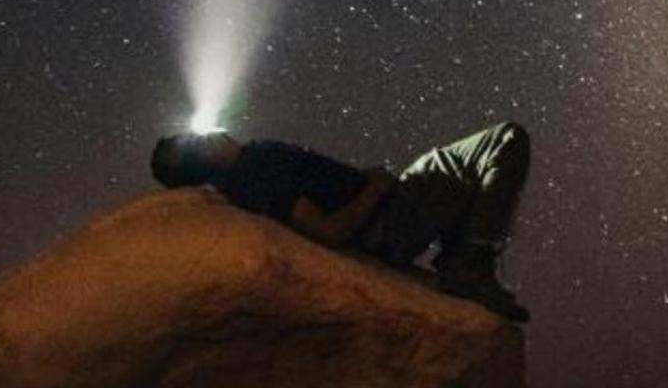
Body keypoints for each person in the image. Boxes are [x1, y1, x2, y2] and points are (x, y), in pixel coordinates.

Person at [150, 120, 531, 321]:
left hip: (390, 203)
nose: (208, 132)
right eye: (197, 140)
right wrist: (374, 189)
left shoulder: (252, 165)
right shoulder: (254, 175)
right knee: (505, 141)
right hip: (389, 219)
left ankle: (461, 260)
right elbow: (328, 232)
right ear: (206, 156)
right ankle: (469, 265)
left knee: (471, 164)